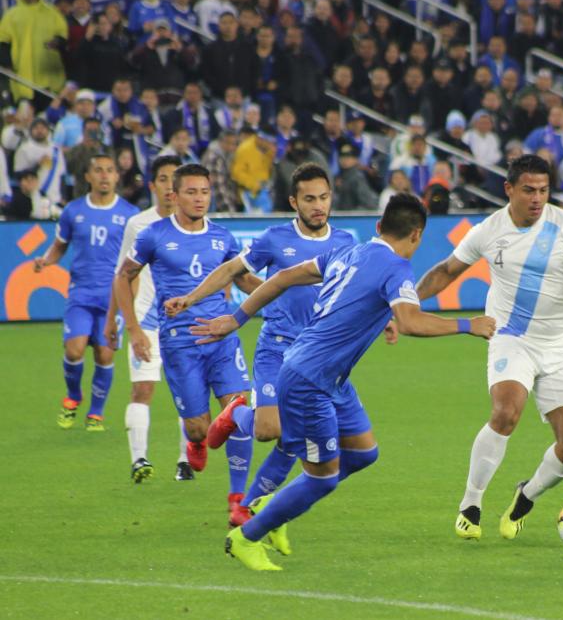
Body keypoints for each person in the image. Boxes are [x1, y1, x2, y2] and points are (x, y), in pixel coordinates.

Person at [190, 194, 496, 570]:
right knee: (321, 479)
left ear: (379, 227)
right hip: (309, 380)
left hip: (329, 377)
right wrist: (469, 325)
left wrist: (236, 319)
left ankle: (278, 503)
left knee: (364, 452)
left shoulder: (349, 252)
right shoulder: (396, 268)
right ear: (417, 236)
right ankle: (245, 537)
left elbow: (284, 277)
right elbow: (411, 321)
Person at [415, 154, 563, 540]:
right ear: (509, 190)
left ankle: (526, 496)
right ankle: (471, 503)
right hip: (512, 336)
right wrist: (406, 303)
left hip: (561, 345)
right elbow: (445, 271)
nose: (537, 198)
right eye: (529, 190)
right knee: (506, 411)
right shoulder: (489, 230)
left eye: (543, 190)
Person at [163, 163, 357, 519]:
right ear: (293, 201)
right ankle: (236, 413)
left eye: (324, 198)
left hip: (320, 357)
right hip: (278, 347)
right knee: (268, 430)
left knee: (295, 437)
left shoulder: (346, 242)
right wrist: (191, 298)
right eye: (309, 199)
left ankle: (248, 507)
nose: (318, 206)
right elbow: (230, 270)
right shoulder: (274, 239)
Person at [112, 164, 259, 525]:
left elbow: (244, 281)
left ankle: (238, 498)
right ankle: (194, 441)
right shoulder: (153, 235)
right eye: (191, 192)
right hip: (180, 343)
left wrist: (284, 293)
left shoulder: (223, 237)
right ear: (174, 196)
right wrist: (133, 329)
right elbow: (123, 278)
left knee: (239, 411)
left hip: (222, 336)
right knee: (199, 429)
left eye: (205, 192)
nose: (199, 199)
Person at [102, 155, 193, 482]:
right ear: (153, 185)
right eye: (164, 179)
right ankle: (139, 460)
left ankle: (184, 462)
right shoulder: (139, 225)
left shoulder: (196, 224)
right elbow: (121, 275)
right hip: (145, 323)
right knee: (142, 390)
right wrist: (113, 320)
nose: (170, 187)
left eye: (175, 180)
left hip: (184, 323)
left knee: (189, 393)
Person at [33, 154, 139, 431]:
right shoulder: (73, 211)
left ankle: (96, 413)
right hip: (80, 293)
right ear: (88, 177)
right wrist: (46, 260)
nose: (104, 175)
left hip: (112, 297)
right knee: (74, 349)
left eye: (110, 170)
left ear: (118, 176)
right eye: (98, 170)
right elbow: (59, 245)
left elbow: (137, 259)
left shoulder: (129, 214)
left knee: (105, 355)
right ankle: (73, 396)